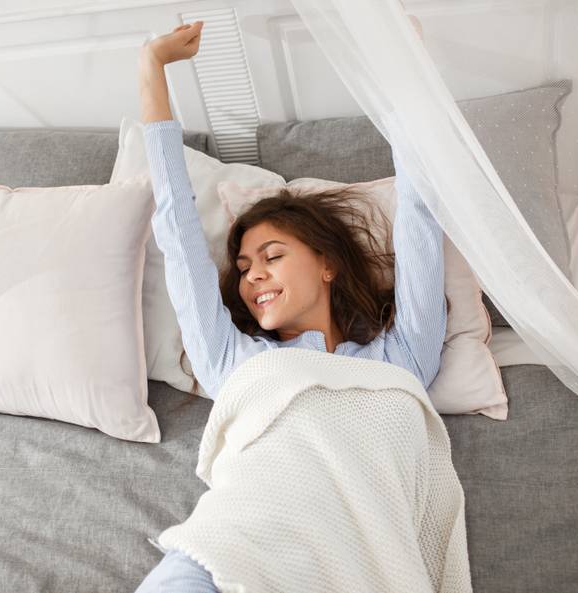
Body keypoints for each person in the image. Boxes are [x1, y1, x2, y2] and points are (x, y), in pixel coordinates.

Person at [134, 16, 445, 593]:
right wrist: (151, 70)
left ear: (326, 263)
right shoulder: (234, 361)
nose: (254, 278)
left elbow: (421, 211)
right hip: (225, 560)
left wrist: (409, 73)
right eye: (246, 269)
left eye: (272, 256)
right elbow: (178, 233)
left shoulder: (399, 360)